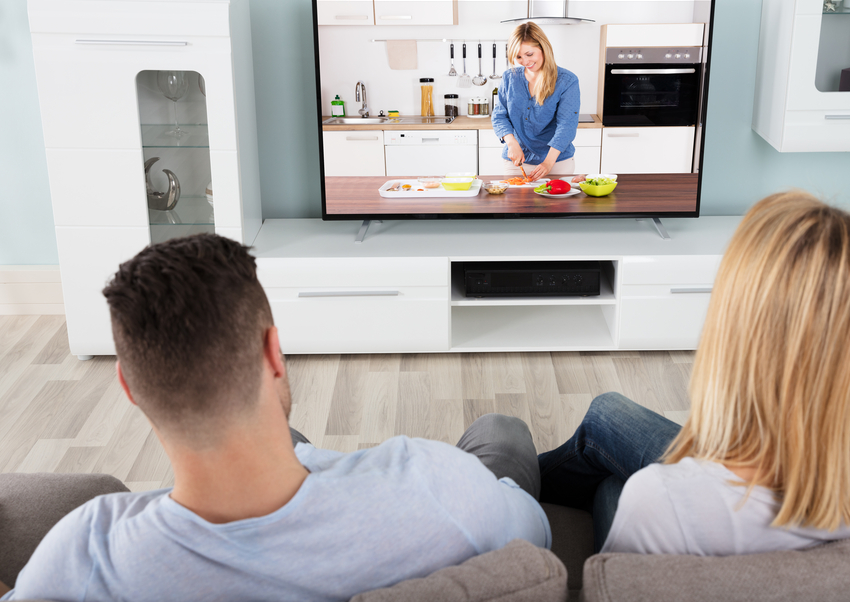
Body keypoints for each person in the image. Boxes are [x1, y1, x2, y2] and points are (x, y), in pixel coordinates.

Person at [2, 234, 549, 601]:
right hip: (439, 498)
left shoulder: (82, 557)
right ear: (273, 353)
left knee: (289, 440)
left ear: (128, 386)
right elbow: (535, 540)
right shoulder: (438, 484)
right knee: (501, 432)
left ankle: (298, 455)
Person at [537, 190, 850, 555]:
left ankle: (506, 487)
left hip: (705, 500)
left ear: (734, 326)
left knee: (612, 476)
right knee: (607, 412)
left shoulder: (661, 503)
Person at [491, 21, 581, 180]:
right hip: (517, 163)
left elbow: (566, 125)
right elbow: (499, 115)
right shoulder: (509, 78)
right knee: (514, 205)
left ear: (543, 48)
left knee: (556, 205)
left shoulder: (567, 81)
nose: (525, 62)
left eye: (529, 54)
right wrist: (511, 143)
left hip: (555, 162)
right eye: (518, 56)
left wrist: (548, 162)